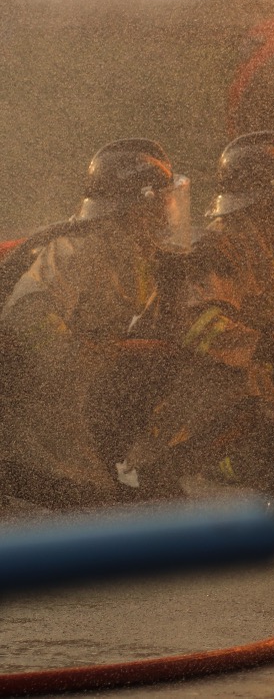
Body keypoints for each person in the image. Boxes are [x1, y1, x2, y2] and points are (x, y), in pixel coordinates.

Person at [117, 132, 274, 513]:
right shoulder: (215, 252)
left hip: (231, 389)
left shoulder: (268, 240)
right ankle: (173, 473)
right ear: (270, 198)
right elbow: (199, 324)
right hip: (182, 399)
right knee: (260, 408)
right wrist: (267, 347)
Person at [0, 139, 191, 508]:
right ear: (139, 205)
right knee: (89, 501)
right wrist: (92, 359)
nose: (168, 212)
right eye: (162, 201)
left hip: (73, 398)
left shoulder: (131, 249)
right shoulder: (79, 249)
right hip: (37, 408)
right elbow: (25, 318)